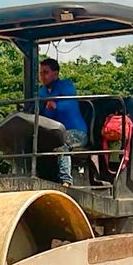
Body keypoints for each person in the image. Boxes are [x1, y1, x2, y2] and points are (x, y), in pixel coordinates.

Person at [38, 58, 87, 186]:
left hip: (77, 133)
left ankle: (66, 180)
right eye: (41, 73)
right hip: (54, 133)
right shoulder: (41, 93)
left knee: (61, 143)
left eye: (45, 72)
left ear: (55, 74)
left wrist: (56, 105)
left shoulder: (67, 86)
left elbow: (69, 104)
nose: (42, 76)